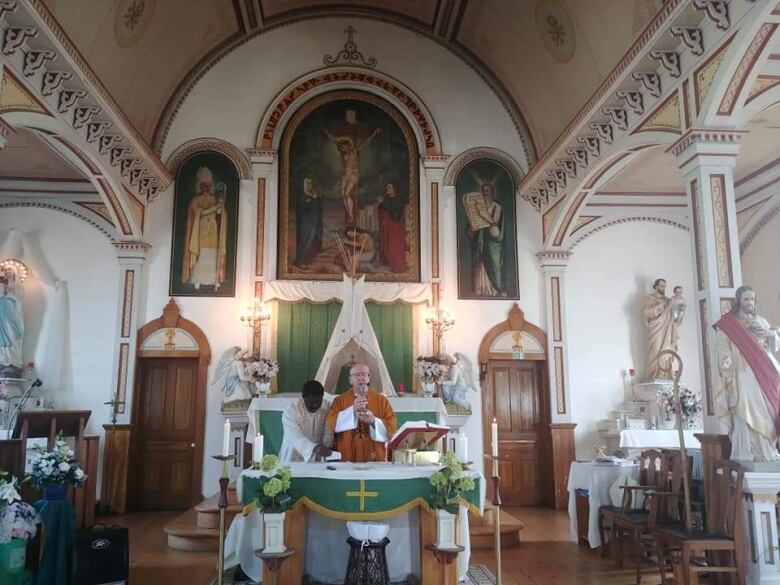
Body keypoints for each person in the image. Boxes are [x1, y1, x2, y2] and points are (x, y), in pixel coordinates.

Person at [714, 286, 780, 462]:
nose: (750, 303)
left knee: (769, 411)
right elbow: (721, 346)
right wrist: (725, 360)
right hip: (743, 373)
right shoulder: (728, 324)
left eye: (752, 299)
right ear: (738, 301)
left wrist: (771, 334)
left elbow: (772, 348)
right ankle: (748, 451)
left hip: (765, 371)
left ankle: (767, 450)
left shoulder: (762, 321)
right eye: (746, 299)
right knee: (745, 406)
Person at [325, 363, 397, 462]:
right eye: (356, 375)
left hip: (374, 456)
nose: (361, 377)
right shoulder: (339, 401)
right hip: (347, 457)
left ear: (369, 377)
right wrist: (352, 410)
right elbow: (331, 423)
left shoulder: (381, 400)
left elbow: (391, 426)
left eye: (364, 374)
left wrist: (373, 421)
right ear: (350, 380)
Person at [321, 114, 381, 224]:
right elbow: (334, 141)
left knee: (347, 193)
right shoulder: (343, 153)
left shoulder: (355, 151)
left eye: (344, 146)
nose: (343, 148)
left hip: (353, 174)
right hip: (345, 175)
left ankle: (351, 216)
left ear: (348, 145)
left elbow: (366, 142)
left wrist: (374, 134)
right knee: (343, 194)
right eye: (341, 148)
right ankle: (349, 214)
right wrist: (327, 133)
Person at [181, 166, 228, 290]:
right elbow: (199, 212)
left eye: (209, 185)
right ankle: (197, 279)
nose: (207, 188)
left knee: (213, 255)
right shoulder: (196, 200)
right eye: (204, 185)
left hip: (212, 231)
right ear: (200, 186)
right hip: (200, 232)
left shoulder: (214, 199)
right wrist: (216, 207)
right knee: (201, 255)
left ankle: (213, 279)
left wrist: (221, 207)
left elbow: (219, 214)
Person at [279, 380, 335, 463]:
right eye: (311, 402)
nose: (315, 405)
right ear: (303, 397)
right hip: (295, 452)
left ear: (323, 397)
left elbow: (329, 430)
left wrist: (327, 445)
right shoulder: (291, 411)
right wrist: (313, 448)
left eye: (318, 402)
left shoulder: (328, 407)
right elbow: (294, 436)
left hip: (320, 454)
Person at [643, 278, 684, 380]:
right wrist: (663, 306)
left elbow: (675, 318)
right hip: (656, 329)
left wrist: (680, 309)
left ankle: (666, 376)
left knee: (667, 352)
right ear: (656, 286)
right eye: (661, 286)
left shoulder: (668, 300)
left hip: (668, 330)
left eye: (665, 286)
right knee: (656, 350)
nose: (663, 288)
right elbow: (647, 313)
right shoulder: (650, 299)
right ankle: (653, 375)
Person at [469, 183, 504, 296]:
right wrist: (472, 228)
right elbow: (473, 223)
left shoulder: (496, 207)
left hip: (491, 240)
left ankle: (493, 288)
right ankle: (481, 288)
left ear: (491, 192)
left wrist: (484, 214)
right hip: (479, 238)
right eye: (483, 191)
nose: (485, 193)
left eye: (487, 191)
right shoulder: (478, 208)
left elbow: (495, 222)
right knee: (479, 262)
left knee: (492, 263)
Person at [376, 181, 407, 272]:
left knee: (394, 246)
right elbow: (384, 210)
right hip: (387, 229)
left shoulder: (398, 200)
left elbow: (393, 210)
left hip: (395, 229)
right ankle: (388, 263)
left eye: (389, 187)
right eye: (387, 187)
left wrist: (382, 203)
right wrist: (381, 205)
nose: (387, 189)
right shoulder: (388, 201)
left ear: (394, 189)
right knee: (387, 245)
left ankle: (397, 265)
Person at [293, 177, 323, 269]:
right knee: (305, 241)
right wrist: (312, 200)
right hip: (305, 224)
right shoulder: (302, 197)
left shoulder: (313, 195)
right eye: (308, 183)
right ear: (305, 185)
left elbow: (317, 209)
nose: (310, 185)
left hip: (313, 222)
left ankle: (307, 260)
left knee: (312, 240)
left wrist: (315, 199)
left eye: (311, 183)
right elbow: (303, 210)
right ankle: (299, 261)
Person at [0, 272, 23, 369]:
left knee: (12, 336)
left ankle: (13, 360)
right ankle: (3, 359)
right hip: (1, 321)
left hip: (10, 321)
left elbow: (18, 307)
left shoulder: (13, 295)